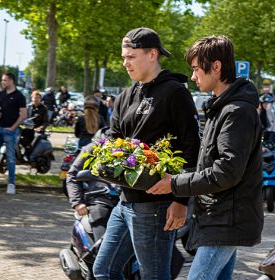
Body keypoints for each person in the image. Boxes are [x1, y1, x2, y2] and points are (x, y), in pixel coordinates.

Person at [146, 35, 263, 280]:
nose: (193, 76)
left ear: (217, 67)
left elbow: (226, 171)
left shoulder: (236, 111)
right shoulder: (220, 107)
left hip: (225, 220)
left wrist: (175, 183)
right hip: (217, 216)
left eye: (196, 69)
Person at [92, 27, 201, 280]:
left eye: (131, 57)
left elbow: (192, 147)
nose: (125, 63)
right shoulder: (124, 97)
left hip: (156, 205)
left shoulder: (176, 92)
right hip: (124, 202)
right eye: (123, 57)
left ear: (152, 54)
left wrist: (181, 200)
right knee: (103, 270)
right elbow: (113, 138)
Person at [21, 90, 49, 160]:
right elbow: (23, 117)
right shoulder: (28, 107)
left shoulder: (43, 108)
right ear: (32, 98)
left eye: (37, 98)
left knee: (36, 137)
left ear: (40, 99)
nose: (36, 99)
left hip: (38, 130)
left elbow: (46, 122)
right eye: (34, 97)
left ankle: (30, 154)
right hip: (28, 128)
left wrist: (40, 128)